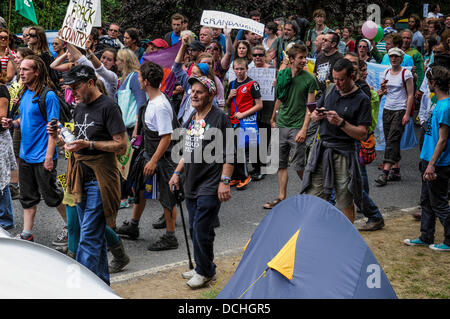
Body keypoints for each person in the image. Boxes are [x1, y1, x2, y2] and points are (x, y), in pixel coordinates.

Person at [60, 64, 128, 284]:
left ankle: (83, 289)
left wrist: (89, 144)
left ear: (90, 82)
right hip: (80, 177)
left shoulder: (109, 106)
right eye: (70, 87)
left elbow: (121, 146)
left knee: (87, 239)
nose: (73, 92)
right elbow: (80, 141)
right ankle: (101, 288)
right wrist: (65, 139)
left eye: (76, 86)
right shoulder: (79, 107)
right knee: (94, 239)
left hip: (101, 180)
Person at [169, 75, 234, 289]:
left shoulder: (219, 118)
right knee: (197, 228)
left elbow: (230, 152)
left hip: (211, 182)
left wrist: (225, 181)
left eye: (199, 92)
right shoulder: (193, 118)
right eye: (192, 91)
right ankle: (203, 265)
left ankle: (204, 271)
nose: (194, 95)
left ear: (211, 95)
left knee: (200, 228)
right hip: (191, 182)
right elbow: (187, 150)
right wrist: (177, 173)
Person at [1, 55, 67, 242]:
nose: (20, 73)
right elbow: (27, 119)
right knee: (27, 196)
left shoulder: (49, 95)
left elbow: (53, 127)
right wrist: (13, 123)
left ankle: (71, 226)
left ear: (36, 72)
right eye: (20, 69)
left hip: (43, 155)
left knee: (51, 195)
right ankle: (27, 234)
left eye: (25, 69)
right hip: (26, 155)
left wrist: (49, 157)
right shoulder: (24, 93)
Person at [117, 61, 180, 251]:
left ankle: (170, 237)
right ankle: (133, 226)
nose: (137, 80)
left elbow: (167, 137)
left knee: (167, 195)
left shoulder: (160, 105)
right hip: (150, 154)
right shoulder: (152, 101)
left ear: (146, 82)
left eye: (139, 78)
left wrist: (153, 161)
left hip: (163, 158)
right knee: (140, 189)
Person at [300, 58, 372, 223]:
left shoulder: (361, 99)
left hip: (344, 152)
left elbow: (362, 133)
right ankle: (315, 232)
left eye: (341, 79)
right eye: (335, 78)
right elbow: (313, 108)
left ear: (352, 76)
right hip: (321, 149)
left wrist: (341, 123)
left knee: (344, 197)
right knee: (313, 193)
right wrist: (315, 115)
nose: (337, 83)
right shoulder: (331, 88)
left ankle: (348, 237)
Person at [264, 44, 317, 209]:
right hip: (281, 124)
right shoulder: (283, 75)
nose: (304, 60)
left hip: (297, 126)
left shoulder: (309, 79)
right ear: (292, 59)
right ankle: (281, 197)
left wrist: (304, 129)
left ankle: (314, 193)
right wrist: (273, 119)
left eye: (305, 57)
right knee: (280, 163)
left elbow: (311, 106)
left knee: (299, 165)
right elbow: (279, 98)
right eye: (300, 57)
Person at [404, 65, 450, 252]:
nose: (427, 84)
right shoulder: (438, 104)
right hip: (428, 160)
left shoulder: (445, 107)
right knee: (426, 201)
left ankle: (448, 240)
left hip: (437, 163)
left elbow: (443, 139)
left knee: (439, 202)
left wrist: (431, 165)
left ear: (434, 83)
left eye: (429, 80)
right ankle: (426, 235)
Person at [344, 53, 385, 231]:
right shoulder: (340, 87)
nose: (350, 67)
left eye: (354, 64)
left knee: (355, 180)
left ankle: (373, 214)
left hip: (355, 141)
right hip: (341, 141)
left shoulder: (362, 90)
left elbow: (363, 123)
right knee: (350, 180)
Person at [375, 48, 414, 186]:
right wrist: (383, 90)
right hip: (387, 109)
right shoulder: (385, 72)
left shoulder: (406, 73)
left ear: (401, 59)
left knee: (392, 139)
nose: (393, 59)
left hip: (400, 109)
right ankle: (396, 170)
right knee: (390, 140)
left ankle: (385, 173)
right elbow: (384, 92)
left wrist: (407, 114)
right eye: (391, 56)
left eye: (396, 57)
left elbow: (410, 95)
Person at [226, 58, 262, 190]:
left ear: (247, 69)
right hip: (233, 121)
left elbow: (259, 105)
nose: (239, 71)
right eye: (237, 69)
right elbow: (228, 105)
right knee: (234, 150)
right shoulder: (232, 84)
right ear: (233, 69)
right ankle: (235, 176)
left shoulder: (252, 84)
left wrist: (243, 114)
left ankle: (244, 176)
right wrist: (229, 96)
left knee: (240, 149)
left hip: (246, 121)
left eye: (242, 69)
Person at [248, 45, 275, 181]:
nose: (257, 57)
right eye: (255, 55)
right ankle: (255, 166)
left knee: (264, 138)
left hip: (268, 108)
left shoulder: (271, 71)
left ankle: (262, 167)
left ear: (265, 56)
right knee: (253, 138)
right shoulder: (250, 71)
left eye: (260, 55)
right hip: (252, 109)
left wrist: (276, 83)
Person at [0, 82, 17, 230]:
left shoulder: (1, 89)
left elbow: (1, 117)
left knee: (1, 179)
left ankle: (5, 220)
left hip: (0, 138)